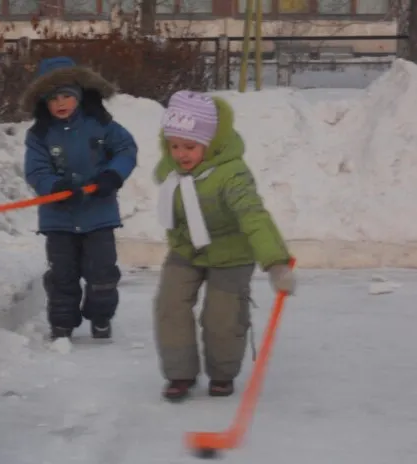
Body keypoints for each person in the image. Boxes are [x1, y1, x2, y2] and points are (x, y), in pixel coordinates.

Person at [153, 90, 296, 402]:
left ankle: (222, 372)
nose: (180, 154)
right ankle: (180, 373)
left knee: (222, 315)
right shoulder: (170, 171)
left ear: (211, 142)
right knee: (169, 305)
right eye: (174, 146)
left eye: (190, 146)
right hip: (186, 250)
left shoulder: (232, 175)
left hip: (231, 254)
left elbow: (253, 216)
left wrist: (276, 263)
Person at [22, 56, 138, 341]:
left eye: (66, 96)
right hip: (59, 218)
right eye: (53, 98)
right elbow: (36, 170)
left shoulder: (101, 125)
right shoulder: (39, 135)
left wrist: (112, 175)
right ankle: (62, 323)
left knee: (102, 273)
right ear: (43, 102)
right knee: (62, 276)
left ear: (79, 95)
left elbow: (126, 149)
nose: (60, 103)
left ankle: (101, 317)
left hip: (99, 214)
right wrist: (55, 187)